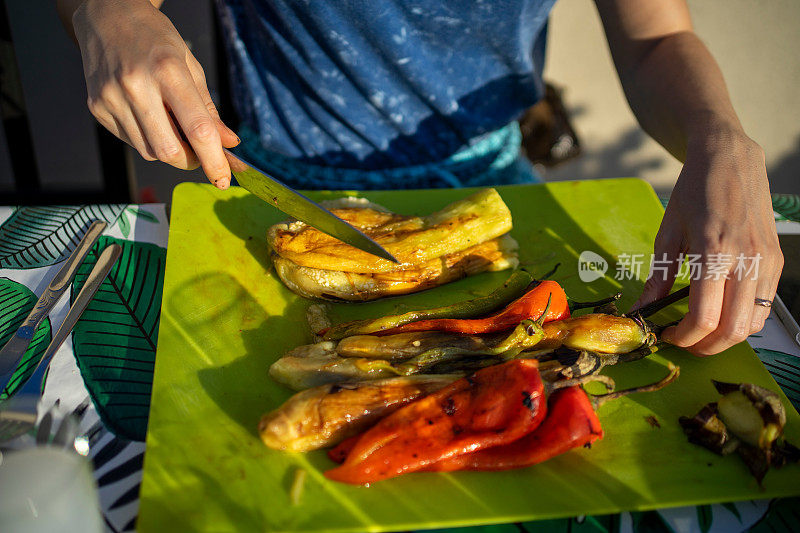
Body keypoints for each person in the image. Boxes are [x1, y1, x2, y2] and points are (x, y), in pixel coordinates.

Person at [56, 0, 783, 357]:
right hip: (276, 186)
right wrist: (107, 12)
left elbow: (656, 41)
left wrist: (719, 132)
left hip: (494, 189)